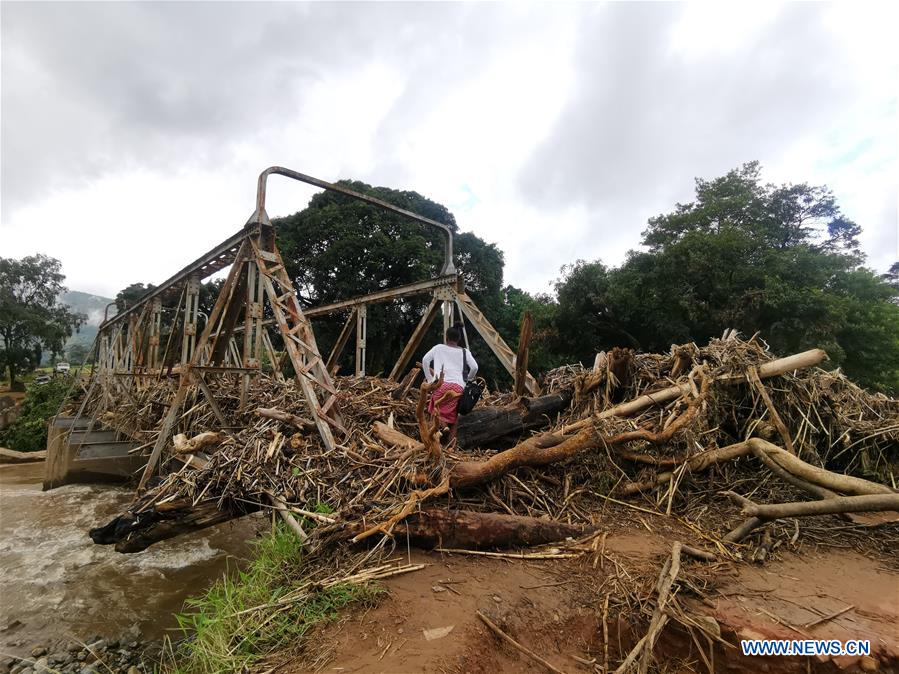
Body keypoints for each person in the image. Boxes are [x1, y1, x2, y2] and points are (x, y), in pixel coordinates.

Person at [421, 325, 478, 441]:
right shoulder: (464, 352)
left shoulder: (438, 348)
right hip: (458, 388)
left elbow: (425, 360)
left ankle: (442, 429)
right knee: (455, 414)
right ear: (459, 339)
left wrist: (430, 380)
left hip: (441, 385)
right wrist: (467, 380)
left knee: (435, 407)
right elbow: (475, 367)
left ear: (446, 337)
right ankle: (451, 444)